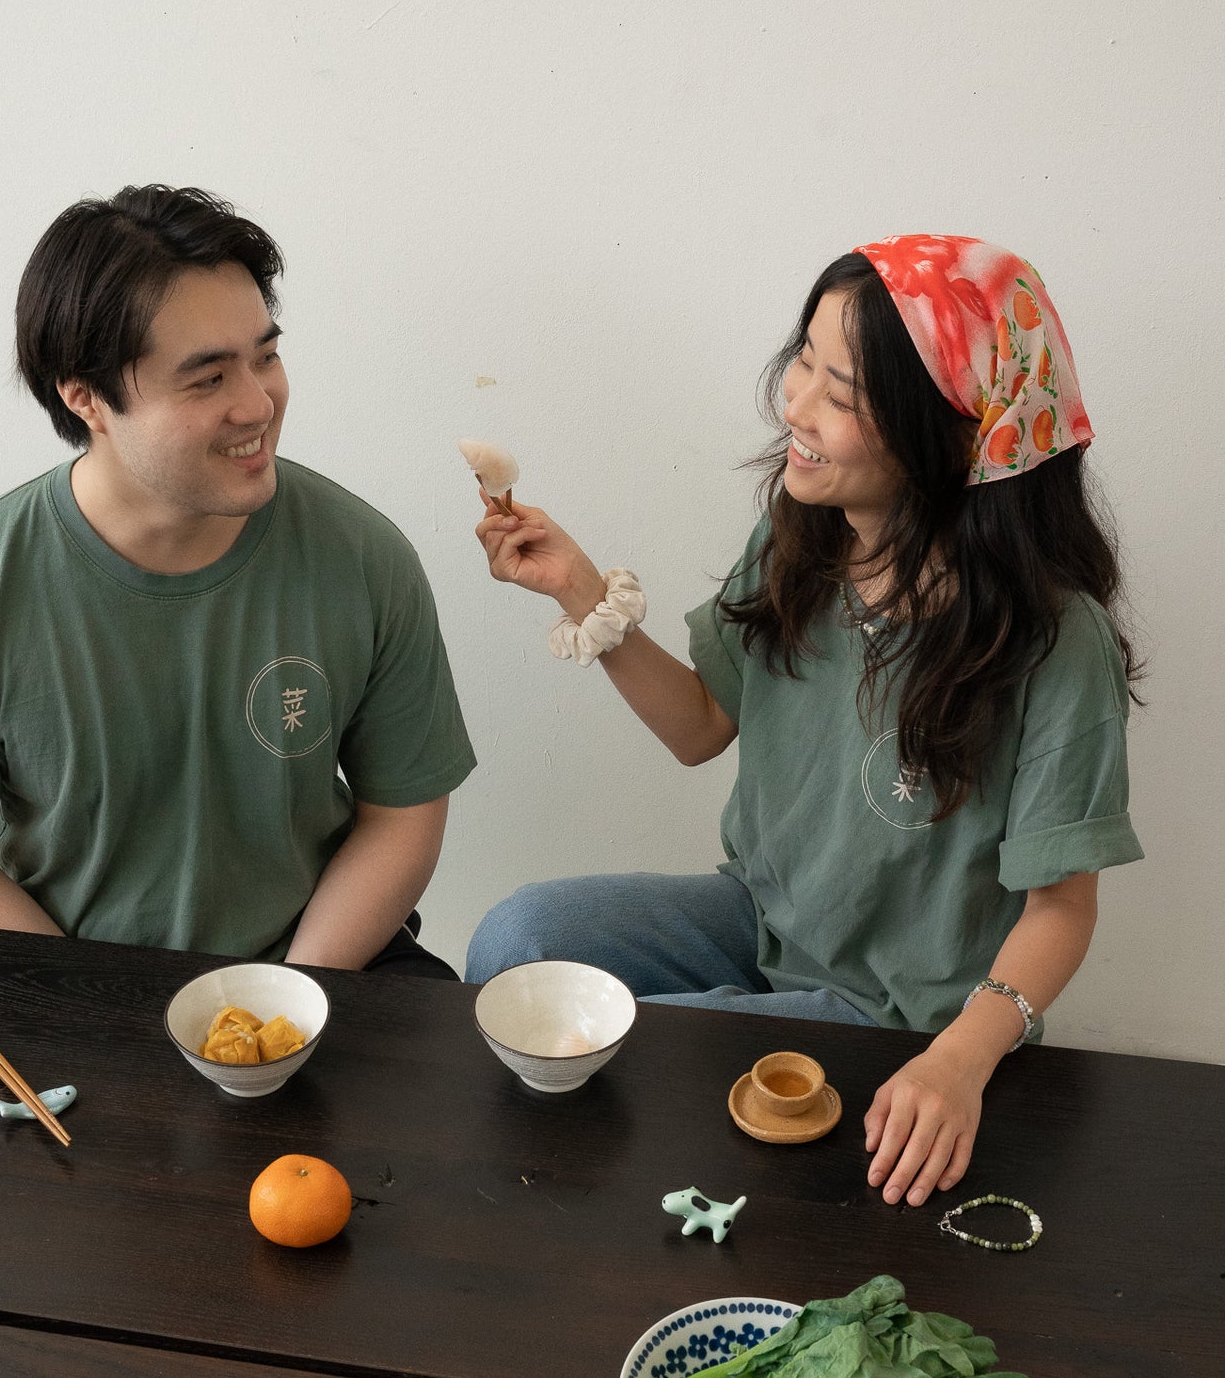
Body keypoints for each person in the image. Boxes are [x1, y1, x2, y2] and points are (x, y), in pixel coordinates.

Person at [467, 235, 1142, 1202]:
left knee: (614, 1048)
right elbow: (701, 723)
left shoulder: (1050, 640)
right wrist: (578, 589)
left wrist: (959, 1060)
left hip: (905, 1007)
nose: (794, 404)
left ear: (956, 439)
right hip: (764, 918)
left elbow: (1061, 906)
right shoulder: (799, 540)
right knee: (515, 943)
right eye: (803, 364)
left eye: (841, 392)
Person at [0, 184, 475, 974]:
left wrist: (280, 1005)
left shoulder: (362, 556)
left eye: (266, 355)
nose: (258, 404)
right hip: (73, 982)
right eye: (207, 378)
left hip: (321, 965)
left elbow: (402, 815)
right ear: (85, 396)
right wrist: (113, 1025)